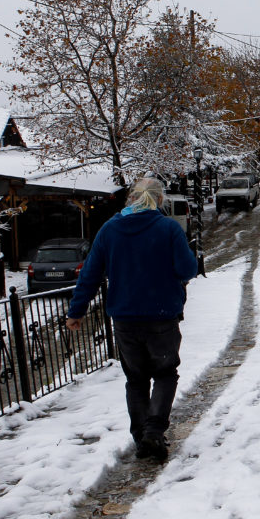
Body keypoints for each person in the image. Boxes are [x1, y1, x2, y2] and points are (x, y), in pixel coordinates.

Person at [67, 176, 198, 462]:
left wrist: (76, 311)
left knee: (136, 379)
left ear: (131, 199)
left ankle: (141, 437)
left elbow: (90, 273)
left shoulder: (110, 230)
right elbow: (187, 268)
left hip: (125, 318)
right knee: (165, 373)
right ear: (159, 200)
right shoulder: (168, 229)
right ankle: (154, 431)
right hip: (162, 315)